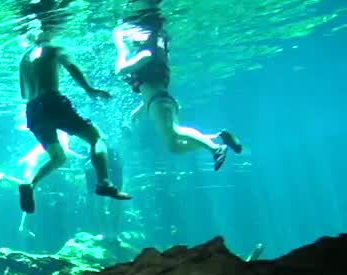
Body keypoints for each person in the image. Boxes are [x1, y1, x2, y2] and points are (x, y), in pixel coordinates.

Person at [17, 30, 131, 214]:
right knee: (97, 138)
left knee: (58, 157)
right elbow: (71, 66)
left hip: (32, 111)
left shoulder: (24, 58)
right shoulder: (53, 47)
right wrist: (89, 88)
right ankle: (104, 182)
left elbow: (24, 94)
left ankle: (30, 184)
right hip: (52, 101)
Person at [113, 24, 242, 170]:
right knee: (175, 147)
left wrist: (121, 47)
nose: (128, 42)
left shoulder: (144, 56)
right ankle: (219, 138)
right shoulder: (145, 63)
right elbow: (147, 90)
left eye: (129, 39)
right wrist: (138, 111)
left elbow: (120, 70)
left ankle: (215, 149)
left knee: (175, 131)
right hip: (159, 102)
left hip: (159, 103)